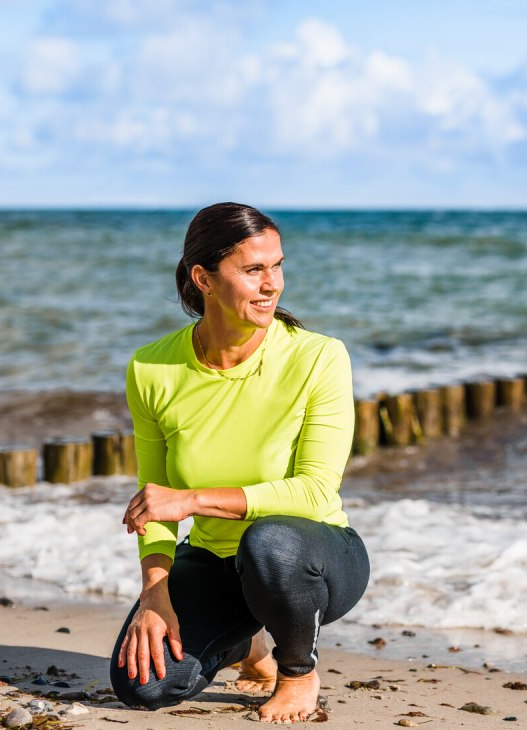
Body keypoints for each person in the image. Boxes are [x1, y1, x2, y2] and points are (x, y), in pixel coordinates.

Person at [110, 202, 370, 724]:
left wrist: (195, 499)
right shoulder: (151, 367)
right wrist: (154, 594)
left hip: (312, 560)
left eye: (277, 266)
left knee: (269, 541)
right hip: (216, 561)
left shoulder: (318, 357)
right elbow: (153, 502)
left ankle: (298, 671)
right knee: (143, 684)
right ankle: (252, 648)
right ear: (203, 278)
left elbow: (316, 493)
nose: (272, 283)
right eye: (253, 270)